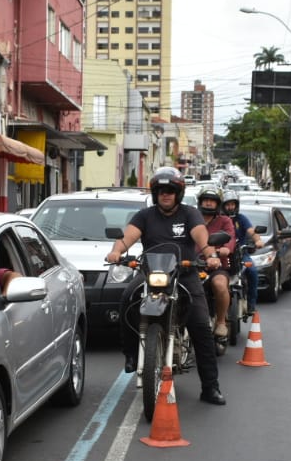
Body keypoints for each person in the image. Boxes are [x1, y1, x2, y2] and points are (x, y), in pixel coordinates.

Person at [106, 167, 225, 406]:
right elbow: (128, 237)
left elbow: (202, 237)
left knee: (201, 325)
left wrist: (210, 255)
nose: (166, 195)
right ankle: (130, 354)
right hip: (151, 273)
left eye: (170, 191)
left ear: (178, 193)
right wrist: (116, 251)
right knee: (128, 297)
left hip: (185, 273)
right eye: (161, 191)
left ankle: (210, 387)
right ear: (155, 193)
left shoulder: (190, 214)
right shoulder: (145, 216)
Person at [196, 186, 237, 347]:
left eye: (212, 201)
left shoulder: (224, 221)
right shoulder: (192, 218)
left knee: (219, 285)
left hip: (217, 265)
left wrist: (226, 249)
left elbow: (231, 238)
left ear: (218, 204)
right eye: (205, 200)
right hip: (192, 264)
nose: (208, 203)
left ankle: (220, 322)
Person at [222, 193, 263, 314]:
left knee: (252, 271)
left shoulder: (241, 218)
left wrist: (258, 240)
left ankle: (251, 304)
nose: (230, 207)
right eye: (228, 205)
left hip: (240, 253)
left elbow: (251, 231)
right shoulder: (220, 219)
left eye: (233, 204)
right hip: (224, 255)